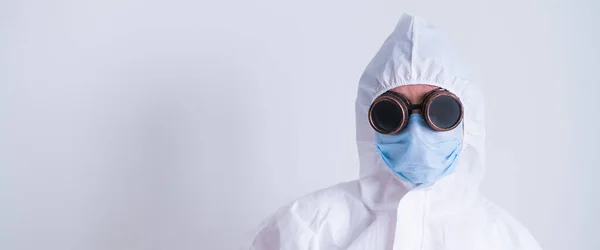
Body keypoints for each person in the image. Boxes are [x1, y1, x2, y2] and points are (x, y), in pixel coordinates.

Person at [244, 13, 543, 250]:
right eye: (391, 114)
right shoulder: (308, 228)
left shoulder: (506, 241)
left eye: (439, 111)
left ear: (469, 121)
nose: (416, 129)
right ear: (369, 122)